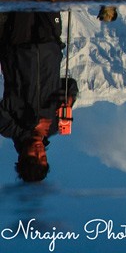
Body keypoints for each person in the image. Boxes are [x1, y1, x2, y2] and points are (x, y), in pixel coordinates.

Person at [0, 11, 77, 183]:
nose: (39, 151)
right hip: (50, 45)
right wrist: (69, 100)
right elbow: (69, 84)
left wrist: (33, 123)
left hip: (17, 45)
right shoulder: (55, 126)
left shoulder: (7, 128)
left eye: (34, 156)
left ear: (21, 157)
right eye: (43, 157)